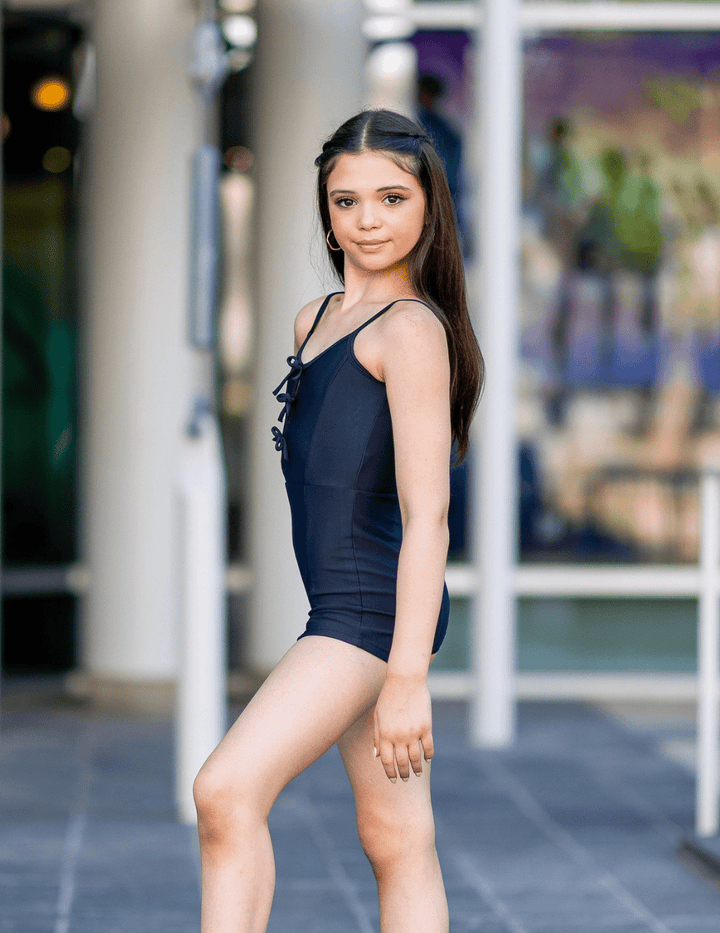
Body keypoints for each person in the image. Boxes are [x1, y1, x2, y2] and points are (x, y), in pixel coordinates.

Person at [193, 108, 484, 933]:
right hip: (344, 606)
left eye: (391, 198)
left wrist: (405, 680)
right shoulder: (313, 321)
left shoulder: (413, 330)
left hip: (369, 612)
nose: (367, 220)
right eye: (346, 200)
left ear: (428, 206)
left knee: (224, 790)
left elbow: (430, 517)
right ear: (325, 211)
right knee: (397, 838)